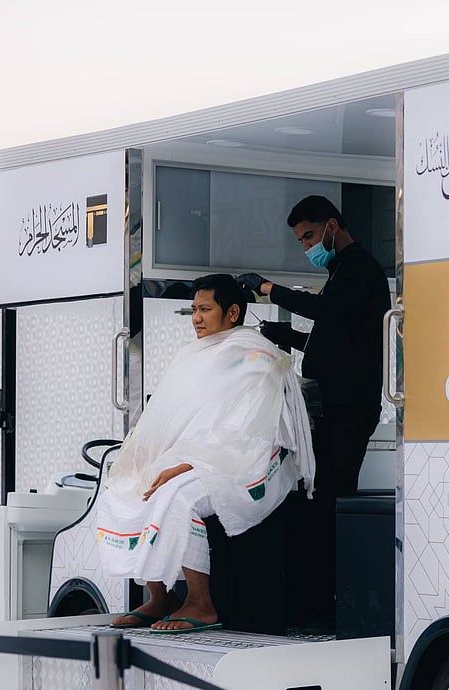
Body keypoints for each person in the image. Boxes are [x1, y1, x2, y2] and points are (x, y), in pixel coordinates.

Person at [97, 274, 314, 633]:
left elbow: (247, 429)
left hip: (241, 461)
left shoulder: (255, 356)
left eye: (205, 309)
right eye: (194, 310)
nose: (196, 318)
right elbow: (170, 418)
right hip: (197, 454)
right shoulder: (193, 355)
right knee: (128, 487)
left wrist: (187, 464)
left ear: (232, 313)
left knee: (177, 497)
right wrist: (145, 458)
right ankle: (161, 596)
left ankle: (201, 602)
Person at [237, 195, 390, 625]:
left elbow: (326, 311)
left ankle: (331, 604)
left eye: (309, 237)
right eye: (301, 241)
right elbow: (334, 337)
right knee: (320, 499)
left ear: (332, 227)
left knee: (330, 501)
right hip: (336, 404)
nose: (306, 247)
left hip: (350, 407)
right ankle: (320, 600)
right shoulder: (341, 272)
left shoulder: (359, 268)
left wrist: (268, 289)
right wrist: (281, 334)